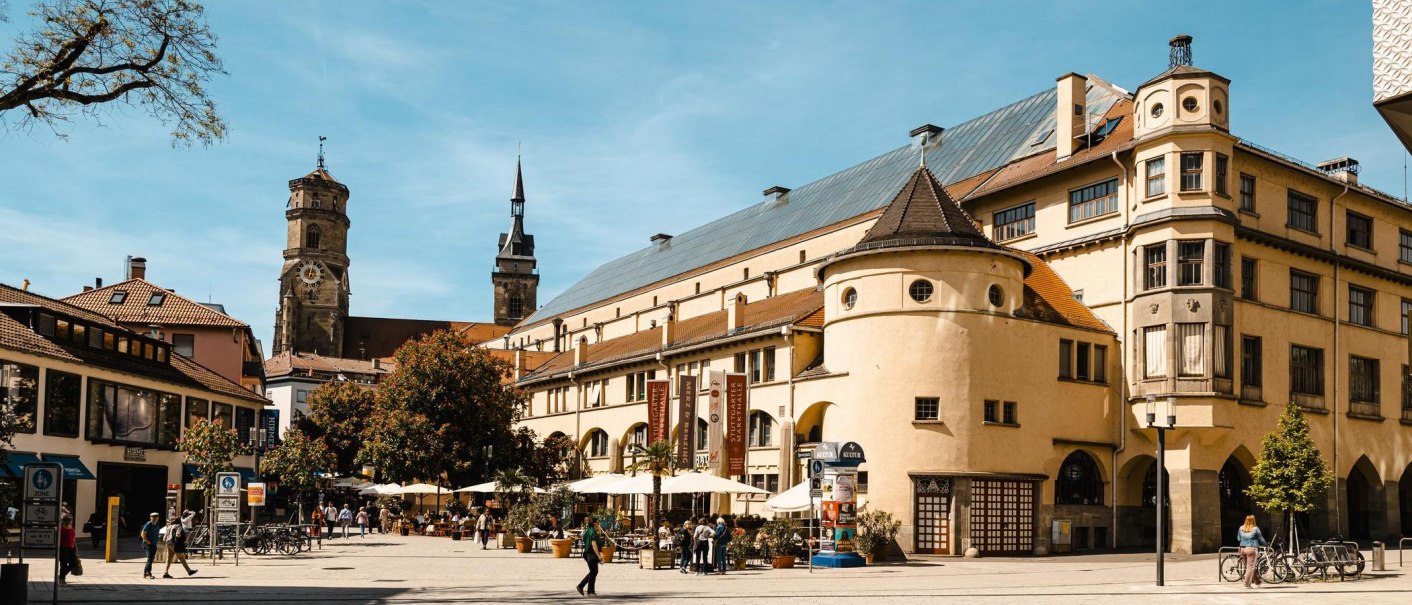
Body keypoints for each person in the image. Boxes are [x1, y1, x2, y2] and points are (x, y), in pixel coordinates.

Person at [1236, 515, 1266, 588]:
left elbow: (1238, 538)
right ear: (1254, 520)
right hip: (1252, 549)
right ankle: (1246, 584)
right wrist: (1266, 545)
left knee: (1249, 567)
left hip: (1242, 549)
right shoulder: (1255, 529)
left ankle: (1257, 582)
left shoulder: (1241, 528)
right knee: (1250, 567)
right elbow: (1261, 539)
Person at [576, 517, 604, 596]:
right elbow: (593, 544)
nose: (599, 524)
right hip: (591, 553)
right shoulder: (593, 532)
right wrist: (599, 555)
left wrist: (599, 529)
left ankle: (582, 587)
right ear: (594, 523)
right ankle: (589, 591)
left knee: (593, 572)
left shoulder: (588, 530)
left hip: (587, 553)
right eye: (598, 522)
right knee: (593, 572)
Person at [140, 512, 161, 579]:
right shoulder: (149, 524)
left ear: (158, 517)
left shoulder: (157, 524)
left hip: (153, 544)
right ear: (150, 517)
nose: (154, 518)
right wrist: (148, 542)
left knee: (150, 559)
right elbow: (143, 534)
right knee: (150, 559)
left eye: (156, 517)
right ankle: (147, 573)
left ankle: (146, 573)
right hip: (148, 544)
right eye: (153, 517)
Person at [58, 517, 77, 585]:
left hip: (71, 547)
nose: (71, 521)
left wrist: (75, 547)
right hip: (63, 548)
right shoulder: (62, 528)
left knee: (73, 563)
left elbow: (73, 538)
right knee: (63, 564)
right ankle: (62, 579)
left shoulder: (71, 527)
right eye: (70, 520)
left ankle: (61, 576)